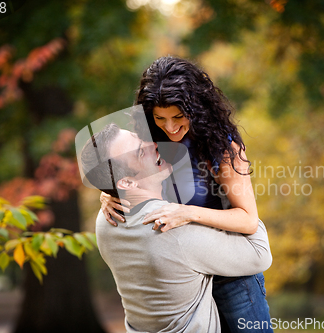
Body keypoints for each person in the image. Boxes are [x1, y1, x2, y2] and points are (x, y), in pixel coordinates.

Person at [100, 56, 273, 332]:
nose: (169, 127)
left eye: (178, 117)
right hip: (185, 281)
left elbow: (248, 220)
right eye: (160, 118)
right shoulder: (152, 141)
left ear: (197, 109)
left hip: (232, 278)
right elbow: (128, 175)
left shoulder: (224, 149)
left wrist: (188, 213)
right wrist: (109, 193)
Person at [80, 123, 272, 332]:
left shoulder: (104, 221)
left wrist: (109, 191)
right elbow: (260, 253)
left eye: (139, 136)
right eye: (140, 152)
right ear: (127, 183)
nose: (152, 143)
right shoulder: (171, 227)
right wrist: (237, 186)